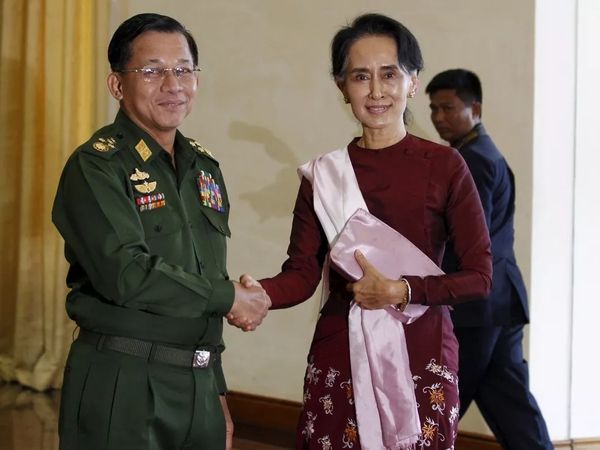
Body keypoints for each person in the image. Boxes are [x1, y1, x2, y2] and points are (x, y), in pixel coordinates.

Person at [234, 14, 492, 450]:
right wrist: (260, 294)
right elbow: (301, 274)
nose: (376, 91)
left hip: (421, 350)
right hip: (341, 351)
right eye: (360, 76)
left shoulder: (446, 167)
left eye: (389, 74)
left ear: (412, 82)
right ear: (342, 87)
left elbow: (479, 277)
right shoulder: (324, 176)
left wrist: (401, 291)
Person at [52, 13, 270, 450]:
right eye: (152, 71)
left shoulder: (204, 167)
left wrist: (217, 390)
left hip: (199, 385)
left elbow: (205, 276)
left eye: (184, 70)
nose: (173, 85)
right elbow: (125, 273)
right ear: (117, 85)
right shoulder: (96, 166)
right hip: (123, 380)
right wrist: (230, 296)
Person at [426, 69, 553, 449]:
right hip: (500, 301)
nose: (439, 117)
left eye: (448, 108)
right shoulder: (480, 153)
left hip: (477, 306)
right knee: (511, 403)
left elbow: (466, 237)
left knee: (440, 399)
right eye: (433, 109)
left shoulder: (473, 160)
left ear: (475, 109)